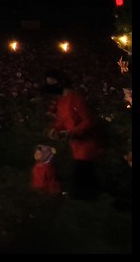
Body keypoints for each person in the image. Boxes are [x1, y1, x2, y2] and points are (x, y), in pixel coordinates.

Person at [43, 69, 103, 200]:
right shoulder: (61, 101)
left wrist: (72, 132)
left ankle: (85, 201)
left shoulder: (75, 98)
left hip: (86, 143)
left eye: (52, 83)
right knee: (86, 174)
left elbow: (88, 120)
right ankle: (94, 200)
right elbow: (62, 120)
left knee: (82, 172)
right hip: (76, 143)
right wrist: (55, 129)